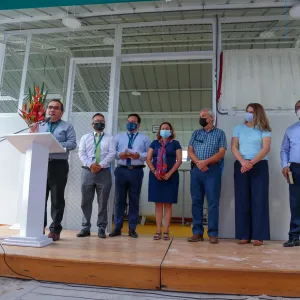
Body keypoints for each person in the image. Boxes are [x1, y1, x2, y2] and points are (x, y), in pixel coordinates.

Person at [30, 99, 76, 241]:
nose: (52, 110)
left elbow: (72, 144)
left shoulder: (67, 127)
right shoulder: (39, 125)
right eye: (50, 107)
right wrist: (32, 133)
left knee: (57, 199)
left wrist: (54, 143)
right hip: (40, 164)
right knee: (39, 199)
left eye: (56, 108)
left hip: (58, 165)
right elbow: (33, 141)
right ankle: (38, 228)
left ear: (61, 112)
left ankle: (55, 230)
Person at [232, 103, 271, 246]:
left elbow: (266, 148)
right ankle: (244, 234)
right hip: (241, 165)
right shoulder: (238, 129)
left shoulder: (264, 130)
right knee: (242, 199)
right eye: (247, 111)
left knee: (259, 199)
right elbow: (234, 147)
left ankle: (258, 236)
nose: (248, 114)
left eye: (251, 112)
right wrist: (243, 162)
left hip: (259, 165)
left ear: (258, 114)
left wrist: (251, 163)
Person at [188, 108, 227, 244]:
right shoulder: (195, 133)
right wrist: (199, 163)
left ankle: (213, 233)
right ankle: (197, 233)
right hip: (197, 171)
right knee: (196, 202)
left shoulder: (220, 133)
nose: (201, 118)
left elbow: (221, 152)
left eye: (204, 116)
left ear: (211, 118)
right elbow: (190, 150)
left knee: (213, 203)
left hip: (212, 171)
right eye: (200, 116)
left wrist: (206, 162)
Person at [109, 114, 151, 238]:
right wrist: (119, 154)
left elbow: (149, 154)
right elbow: (112, 152)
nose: (130, 123)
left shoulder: (144, 138)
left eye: (133, 122)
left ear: (138, 124)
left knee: (134, 200)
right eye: (128, 121)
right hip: (121, 170)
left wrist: (140, 156)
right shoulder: (118, 137)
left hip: (136, 171)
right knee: (119, 200)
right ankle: (117, 227)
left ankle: (132, 229)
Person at [77, 113, 115, 239]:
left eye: (102, 121)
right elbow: (81, 153)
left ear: (104, 124)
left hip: (104, 172)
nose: (100, 123)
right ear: (92, 124)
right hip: (87, 171)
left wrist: (100, 165)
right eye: (97, 121)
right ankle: (85, 228)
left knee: (103, 202)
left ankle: (101, 229)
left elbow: (112, 153)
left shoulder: (110, 138)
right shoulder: (85, 137)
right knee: (85, 201)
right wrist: (91, 165)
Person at [146, 122, 182, 241]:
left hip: (170, 177)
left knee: (168, 204)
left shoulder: (175, 144)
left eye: (167, 128)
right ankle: (158, 230)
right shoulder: (154, 143)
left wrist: (169, 174)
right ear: (159, 131)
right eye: (163, 128)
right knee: (158, 204)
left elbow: (179, 160)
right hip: (155, 176)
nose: (165, 130)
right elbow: (148, 159)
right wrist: (154, 171)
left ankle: (166, 230)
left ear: (171, 131)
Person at [281, 100, 300, 247]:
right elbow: (284, 150)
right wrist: (284, 166)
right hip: (295, 169)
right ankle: (294, 236)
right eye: (298, 108)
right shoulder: (290, 130)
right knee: (295, 203)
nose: (299, 110)